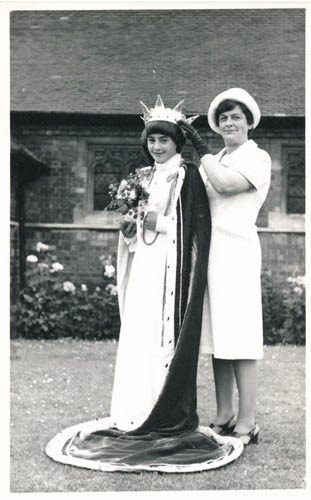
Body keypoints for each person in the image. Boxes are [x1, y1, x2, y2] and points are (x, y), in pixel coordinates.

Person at [45, 95, 243, 473]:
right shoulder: (140, 176)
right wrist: (131, 231)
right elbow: (137, 225)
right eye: (151, 140)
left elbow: (194, 229)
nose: (156, 147)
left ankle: (161, 408)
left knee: (159, 335)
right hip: (144, 267)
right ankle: (131, 412)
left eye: (163, 141)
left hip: (170, 268)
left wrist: (159, 224)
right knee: (138, 332)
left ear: (176, 143)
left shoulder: (187, 176)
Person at [179, 88, 271, 446]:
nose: (230, 122)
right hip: (212, 253)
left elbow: (227, 186)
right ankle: (224, 414)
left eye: (236, 117)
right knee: (218, 337)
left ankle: (248, 421)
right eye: (224, 118)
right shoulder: (216, 157)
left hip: (238, 251)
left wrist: (200, 151)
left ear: (249, 122)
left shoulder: (256, 157)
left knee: (241, 337)